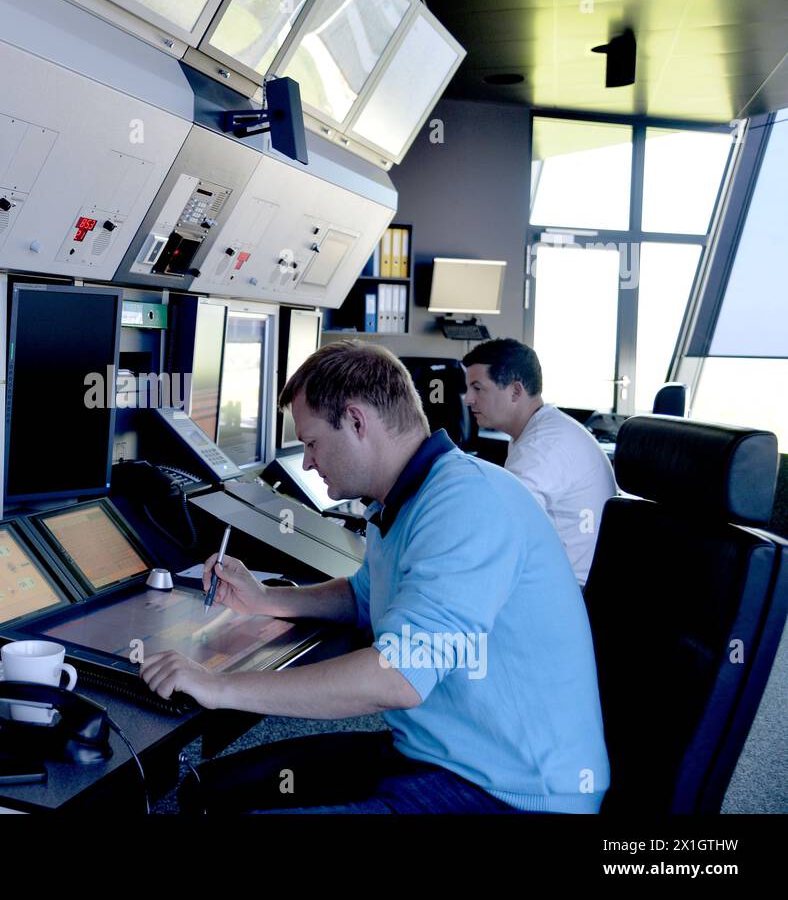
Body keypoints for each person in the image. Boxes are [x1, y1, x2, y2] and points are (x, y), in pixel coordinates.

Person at [139, 340, 609, 813]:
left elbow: (395, 676)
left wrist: (217, 687)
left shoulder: (467, 503)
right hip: (437, 754)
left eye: (312, 442)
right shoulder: (403, 500)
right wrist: (265, 599)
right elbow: (363, 598)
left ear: (358, 422)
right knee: (209, 792)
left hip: (517, 792)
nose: (306, 462)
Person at [462, 338, 617, 585]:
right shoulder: (537, 432)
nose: (468, 399)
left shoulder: (543, 446)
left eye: (478, 388)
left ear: (515, 391)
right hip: (560, 578)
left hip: (572, 592)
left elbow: (498, 525)